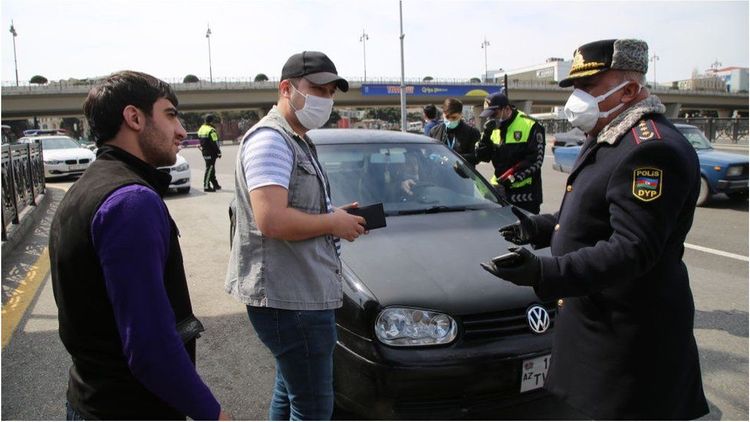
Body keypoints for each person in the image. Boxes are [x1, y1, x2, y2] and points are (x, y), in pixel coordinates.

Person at [482, 39, 709, 420]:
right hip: (593, 325)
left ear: (631, 90)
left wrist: (545, 271)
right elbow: (589, 216)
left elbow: (632, 247)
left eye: (589, 88)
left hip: (627, 342)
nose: (577, 99)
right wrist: (536, 228)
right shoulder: (609, 136)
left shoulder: (649, 150)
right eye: (575, 88)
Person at [49, 71, 230, 420]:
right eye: (171, 114)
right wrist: (215, 414)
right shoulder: (130, 202)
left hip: (90, 398)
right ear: (134, 118)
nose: (181, 132)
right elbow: (151, 347)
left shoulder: (86, 188)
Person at [225, 51, 367, 420]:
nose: (325, 99)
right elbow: (271, 219)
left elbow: (296, 210)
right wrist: (332, 222)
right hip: (290, 300)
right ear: (286, 88)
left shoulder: (297, 139)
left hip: (299, 293)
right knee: (314, 407)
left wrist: (333, 218)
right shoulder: (271, 140)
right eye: (316, 89)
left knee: (289, 392)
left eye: (331, 92)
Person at [475, 92, 545, 214]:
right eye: (488, 115)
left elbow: (536, 161)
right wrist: (485, 136)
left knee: (526, 231)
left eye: (494, 114)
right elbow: (483, 157)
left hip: (525, 194)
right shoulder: (492, 129)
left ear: (506, 109)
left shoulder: (530, 125)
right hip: (500, 191)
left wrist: (513, 178)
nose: (491, 118)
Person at [428, 98, 479, 165]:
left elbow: (476, 157)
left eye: (454, 117)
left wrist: (454, 158)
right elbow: (428, 153)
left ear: (461, 115)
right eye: (447, 117)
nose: (450, 120)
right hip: (439, 173)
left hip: (461, 174)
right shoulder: (434, 131)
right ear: (443, 114)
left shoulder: (472, 132)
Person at [198, 113, 222, 192]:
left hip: (204, 151)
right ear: (211, 121)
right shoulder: (211, 130)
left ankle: (215, 184)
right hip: (211, 153)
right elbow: (214, 143)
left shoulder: (201, 128)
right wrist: (218, 152)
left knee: (211, 168)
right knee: (209, 168)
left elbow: (201, 140)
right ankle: (206, 186)